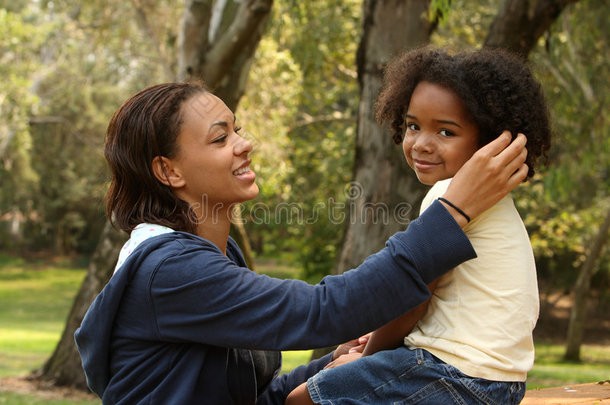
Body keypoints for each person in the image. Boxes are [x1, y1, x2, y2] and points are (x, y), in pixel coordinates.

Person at [74, 80, 529, 404]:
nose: (244, 143)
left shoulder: (210, 257)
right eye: (220, 138)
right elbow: (320, 310)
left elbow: (251, 396)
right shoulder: (170, 272)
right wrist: (454, 212)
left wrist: (334, 362)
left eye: (236, 128)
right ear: (169, 171)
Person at [286, 47, 551, 405]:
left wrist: (367, 358)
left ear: (488, 140)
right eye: (413, 126)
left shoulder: (451, 196)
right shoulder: (495, 204)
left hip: (454, 373)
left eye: (445, 131)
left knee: (301, 398)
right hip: (498, 383)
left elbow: (413, 302)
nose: (422, 144)